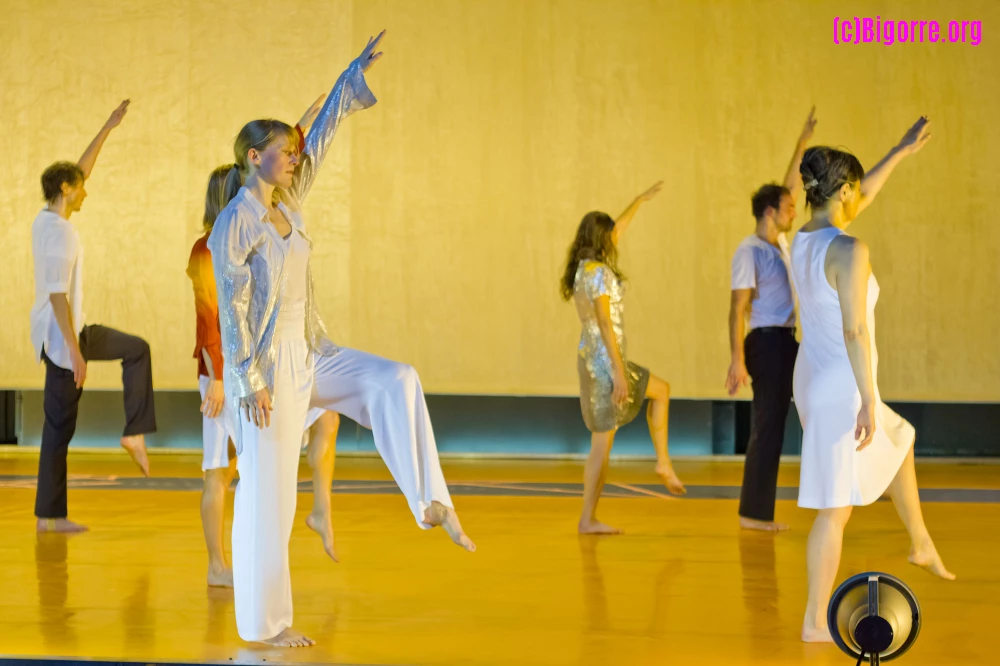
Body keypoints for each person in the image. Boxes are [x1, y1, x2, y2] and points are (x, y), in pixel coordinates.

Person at [789, 118, 955, 643]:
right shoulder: (851, 250)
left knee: (899, 440)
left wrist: (899, 151)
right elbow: (856, 329)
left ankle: (920, 540)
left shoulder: (807, 239)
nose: (863, 197)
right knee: (834, 509)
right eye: (856, 190)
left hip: (813, 377)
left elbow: (867, 193)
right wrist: (867, 398)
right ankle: (815, 621)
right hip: (842, 383)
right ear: (842, 192)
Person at [30, 100, 153, 534]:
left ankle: (133, 432)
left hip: (76, 330)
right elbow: (57, 295)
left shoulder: (46, 218)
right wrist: (76, 355)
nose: (86, 190)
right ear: (66, 189)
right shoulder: (58, 233)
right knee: (58, 429)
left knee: (136, 349)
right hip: (65, 341)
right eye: (79, 187)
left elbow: (81, 172)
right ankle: (50, 517)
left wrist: (107, 126)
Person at [560, 182, 686, 536]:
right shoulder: (598, 273)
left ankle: (662, 463)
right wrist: (618, 371)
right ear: (603, 240)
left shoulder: (582, 270)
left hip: (593, 360)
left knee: (658, 393)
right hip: (604, 365)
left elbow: (618, 227)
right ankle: (588, 518)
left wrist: (638, 202)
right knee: (602, 445)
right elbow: (603, 322)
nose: (617, 236)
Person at [726, 107, 816, 532]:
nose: (794, 211)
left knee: (820, 398)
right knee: (769, 423)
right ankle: (753, 514)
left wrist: (801, 143)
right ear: (769, 213)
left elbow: (787, 184)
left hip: (787, 342)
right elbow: (737, 307)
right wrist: (736, 359)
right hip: (765, 343)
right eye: (788, 209)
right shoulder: (749, 251)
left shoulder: (776, 241)